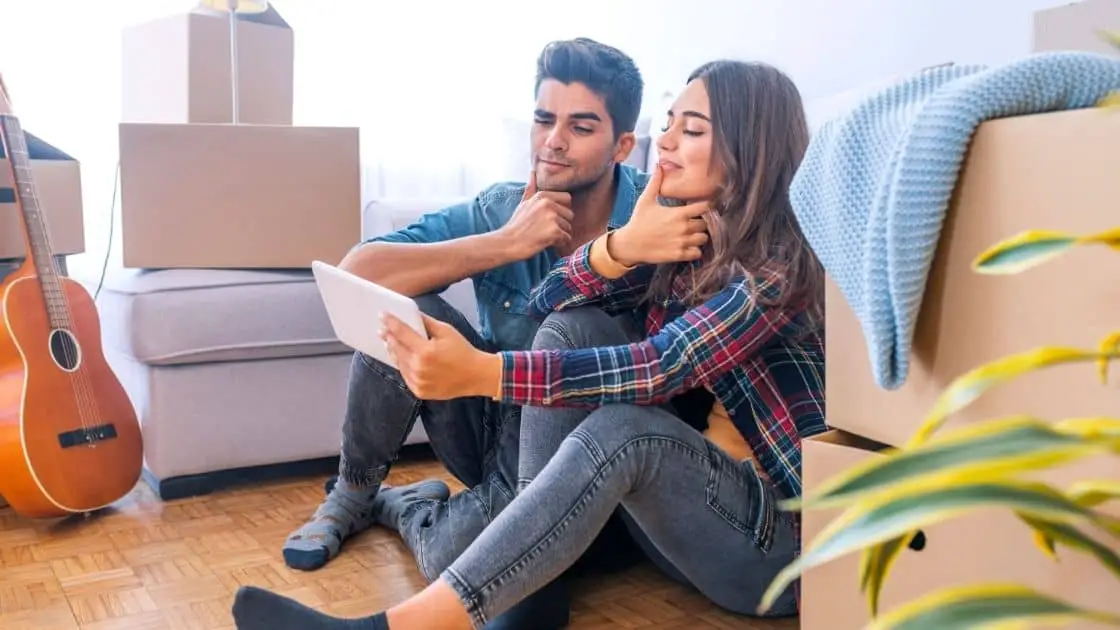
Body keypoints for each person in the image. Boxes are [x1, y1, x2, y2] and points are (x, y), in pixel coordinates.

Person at [233, 59, 829, 630]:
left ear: (749, 153)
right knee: (560, 323)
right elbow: (549, 303)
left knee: (622, 428)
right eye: (669, 122)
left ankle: (400, 613)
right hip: (632, 500)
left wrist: (482, 373)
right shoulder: (676, 238)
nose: (667, 140)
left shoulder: (778, 272)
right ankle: (520, 577)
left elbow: (657, 368)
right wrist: (615, 248)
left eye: (690, 129)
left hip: (773, 550)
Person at [279, 38, 648, 628]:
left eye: (580, 127)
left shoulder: (649, 222)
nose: (553, 140)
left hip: (581, 454)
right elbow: (357, 271)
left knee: (459, 561)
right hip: (490, 425)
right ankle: (352, 494)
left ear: (622, 144)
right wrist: (505, 243)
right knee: (403, 307)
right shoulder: (500, 207)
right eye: (543, 119)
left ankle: (403, 509)